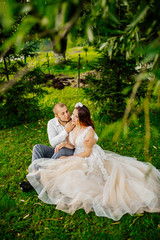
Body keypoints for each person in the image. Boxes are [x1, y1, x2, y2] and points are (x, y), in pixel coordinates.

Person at [26, 102, 160, 221]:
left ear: (81, 118)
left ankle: (44, 174)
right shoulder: (71, 126)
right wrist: (65, 145)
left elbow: (86, 153)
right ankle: (38, 175)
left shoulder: (88, 131)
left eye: (73, 115)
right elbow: (71, 144)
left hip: (87, 157)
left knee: (77, 178)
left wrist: (68, 158)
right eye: (70, 113)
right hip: (76, 152)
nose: (70, 117)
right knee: (51, 156)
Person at [20, 102, 97, 192]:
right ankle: (35, 177)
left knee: (61, 150)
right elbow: (53, 143)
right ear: (57, 116)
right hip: (59, 148)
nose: (67, 115)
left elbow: (87, 130)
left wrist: (93, 140)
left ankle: (39, 177)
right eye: (63, 113)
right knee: (37, 147)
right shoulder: (51, 123)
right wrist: (66, 131)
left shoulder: (74, 119)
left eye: (67, 111)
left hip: (71, 150)